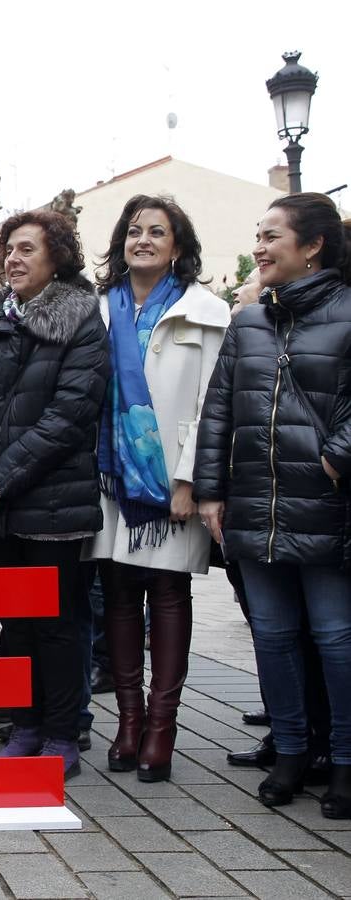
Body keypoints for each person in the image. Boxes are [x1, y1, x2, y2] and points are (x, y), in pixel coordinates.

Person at [195, 193, 351, 818]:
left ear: (311, 246)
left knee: (336, 638)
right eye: (257, 236)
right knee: (275, 635)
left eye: (270, 236)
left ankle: (343, 759)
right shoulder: (250, 321)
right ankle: (289, 750)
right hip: (254, 503)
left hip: (327, 502)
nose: (258, 247)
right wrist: (210, 489)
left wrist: (337, 455)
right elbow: (218, 412)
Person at [0, 209, 109, 779]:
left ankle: (64, 732)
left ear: (57, 258)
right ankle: (24, 725)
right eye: (7, 251)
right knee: (14, 619)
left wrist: (0, 475)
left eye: (25, 250)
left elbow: (71, 414)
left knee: (58, 621)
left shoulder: (82, 319)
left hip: (52, 498)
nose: (11, 260)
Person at [85, 196, 229, 782]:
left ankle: (162, 731)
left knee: (168, 597)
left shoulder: (206, 312)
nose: (143, 239)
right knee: (117, 597)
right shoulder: (98, 310)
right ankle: (126, 722)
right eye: (134, 230)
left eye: (158, 232)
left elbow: (210, 407)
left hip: (173, 485)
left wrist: (190, 480)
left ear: (178, 246)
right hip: (111, 482)